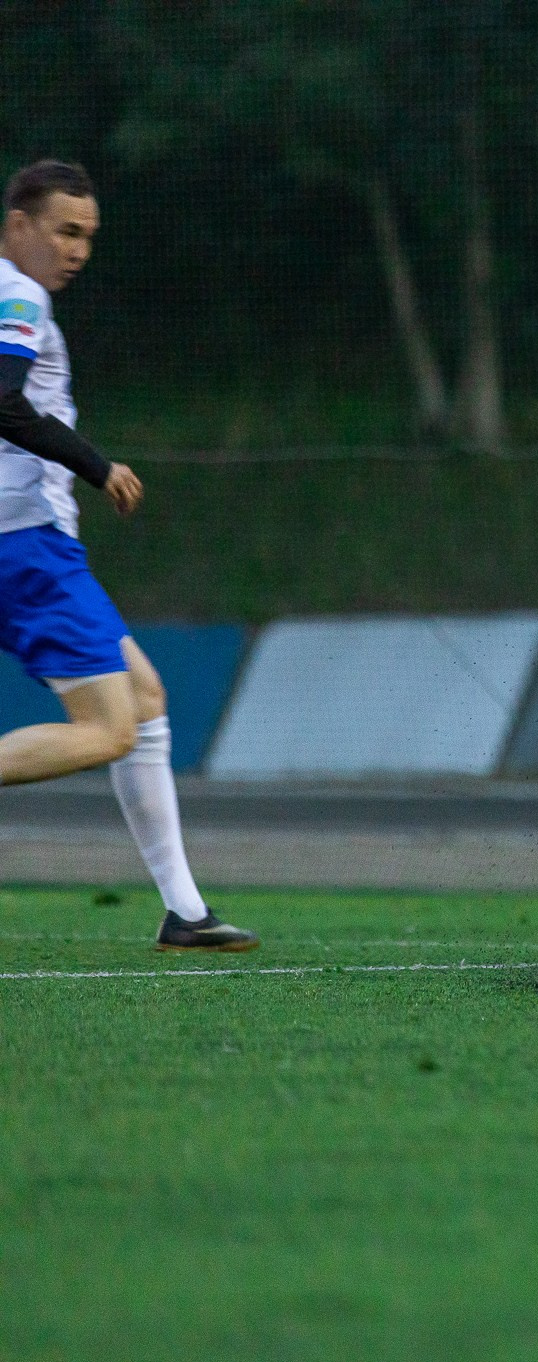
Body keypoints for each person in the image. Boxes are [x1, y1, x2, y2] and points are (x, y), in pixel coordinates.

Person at [0, 160, 255, 951]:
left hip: (26, 543)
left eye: (87, 236)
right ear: (18, 226)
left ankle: (184, 910)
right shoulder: (20, 293)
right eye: (63, 231)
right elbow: (2, 399)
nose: (77, 250)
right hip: (27, 544)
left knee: (143, 700)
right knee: (109, 728)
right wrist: (98, 464)